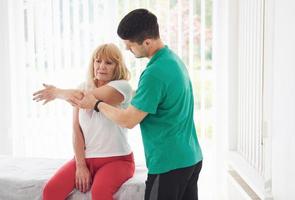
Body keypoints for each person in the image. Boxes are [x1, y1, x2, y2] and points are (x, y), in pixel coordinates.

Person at [73, 9, 203, 200]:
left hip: (169, 164)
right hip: (191, 157)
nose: (127, 50)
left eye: (130, 46)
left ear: (147, 42)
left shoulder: (154, 73)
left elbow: (128, 120)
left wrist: (97, 103)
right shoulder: (173, 59)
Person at [33, 43, 135, 200]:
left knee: (100, 193)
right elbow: (76, 129)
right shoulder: (82, 87)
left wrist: (57, 92)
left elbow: (84, 98)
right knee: (50, 191)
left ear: (117, 67)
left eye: (109, 63)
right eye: (98, 61)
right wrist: (80, 165)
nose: (102, 66)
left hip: (118, 160)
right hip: (86, 159)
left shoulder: (122, 87)